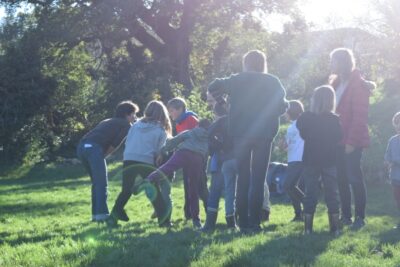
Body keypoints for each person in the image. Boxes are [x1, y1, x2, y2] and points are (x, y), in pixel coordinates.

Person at [208, 50, 288, 233]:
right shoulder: (272, 81)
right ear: (262, 64)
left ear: (246, 63)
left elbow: (213, 86)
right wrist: (271, 114)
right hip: (264, 134)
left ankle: (242, 221)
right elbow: (282, 106)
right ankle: (255, 222)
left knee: (243, 178)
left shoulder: (237, 79)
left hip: (241, 134)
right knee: (259, 179)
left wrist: (224, 103)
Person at [329, 48, 375, 230]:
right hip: (336, 140)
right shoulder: (335, 83)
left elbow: (360, 116)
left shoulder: (358, 84)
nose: (331, 64)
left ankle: (360, 218)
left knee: (354, 178)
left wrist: (351, 142)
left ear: (342, 62)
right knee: (341, 179)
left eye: (333, 60)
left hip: (351, 141)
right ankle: (345, 216)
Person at [107, 101, 172, 227]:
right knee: (155, 191)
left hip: (129, 158)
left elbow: (128, 142)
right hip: (146, 161)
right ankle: (164, 221)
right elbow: (159, 151)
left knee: (126, 190)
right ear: (162, 114)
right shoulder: (161, 131)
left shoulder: (135, 126)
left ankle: (112, 218)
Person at [136, 119, 211, 229]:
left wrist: (163, 150)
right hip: (197, 158)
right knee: (193, 189)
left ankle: (149, 179)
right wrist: (202, 165)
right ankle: (196, 220)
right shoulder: (208, 138)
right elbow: (207, 153)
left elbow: (175, 141)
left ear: (198, 125)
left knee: (167, 168)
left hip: (183, 153)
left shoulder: (190, 132)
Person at [76, 101, 138, 222]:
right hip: (94, 149)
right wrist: (102, 156)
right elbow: (114, 145)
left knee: (96, 183)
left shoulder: (107, 120)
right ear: (127, 114)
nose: (135, 117)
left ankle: (95, 216)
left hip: (81, 147)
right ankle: (102, 216)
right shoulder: (126, 125)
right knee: (101, 183)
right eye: (134, 114)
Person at [297, 86, 342, 235]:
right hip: (330, 159)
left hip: (311, 160)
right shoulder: (335, 119)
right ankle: (334, 229)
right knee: (332, 193)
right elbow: (338, 138)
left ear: (315, 100)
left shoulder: (306, 118)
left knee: (310, 193)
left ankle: (308, 230)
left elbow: (303, 134)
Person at [167, 98, 208, 220]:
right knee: (187, 186)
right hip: (186, 159)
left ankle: (210, 211)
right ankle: (188, 214)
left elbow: (200, 138)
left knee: (201, 188)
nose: (170, 114)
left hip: (197, 159)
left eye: (172, 110)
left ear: (180, 109)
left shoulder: (191, 119)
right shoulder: (179, 122)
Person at [202, 103, 236, 232]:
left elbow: (208, 137)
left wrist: (217, 148)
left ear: (215, 113)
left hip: (220, 160)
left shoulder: (217, 124)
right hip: (236, 158)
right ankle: (233, 223)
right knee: (232, 192)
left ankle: (209, 224)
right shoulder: (236, 121)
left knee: (215, 192)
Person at [283, 100, 305, 222]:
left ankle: (307, 203)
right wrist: (282, 145)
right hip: (292, 159)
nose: (285, 113)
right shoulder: (291, 126)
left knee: (288, 185)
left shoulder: (301, 124)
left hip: (299, 159)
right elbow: (288, 145)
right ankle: (298, 214)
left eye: (286, 111)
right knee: (290, 186)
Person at [384, 112, 400, 230]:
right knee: (398, 199)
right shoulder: (393, 140)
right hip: (395, 176)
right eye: (397, 123)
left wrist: (395, 161)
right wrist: (387, 162)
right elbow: (387, 156)